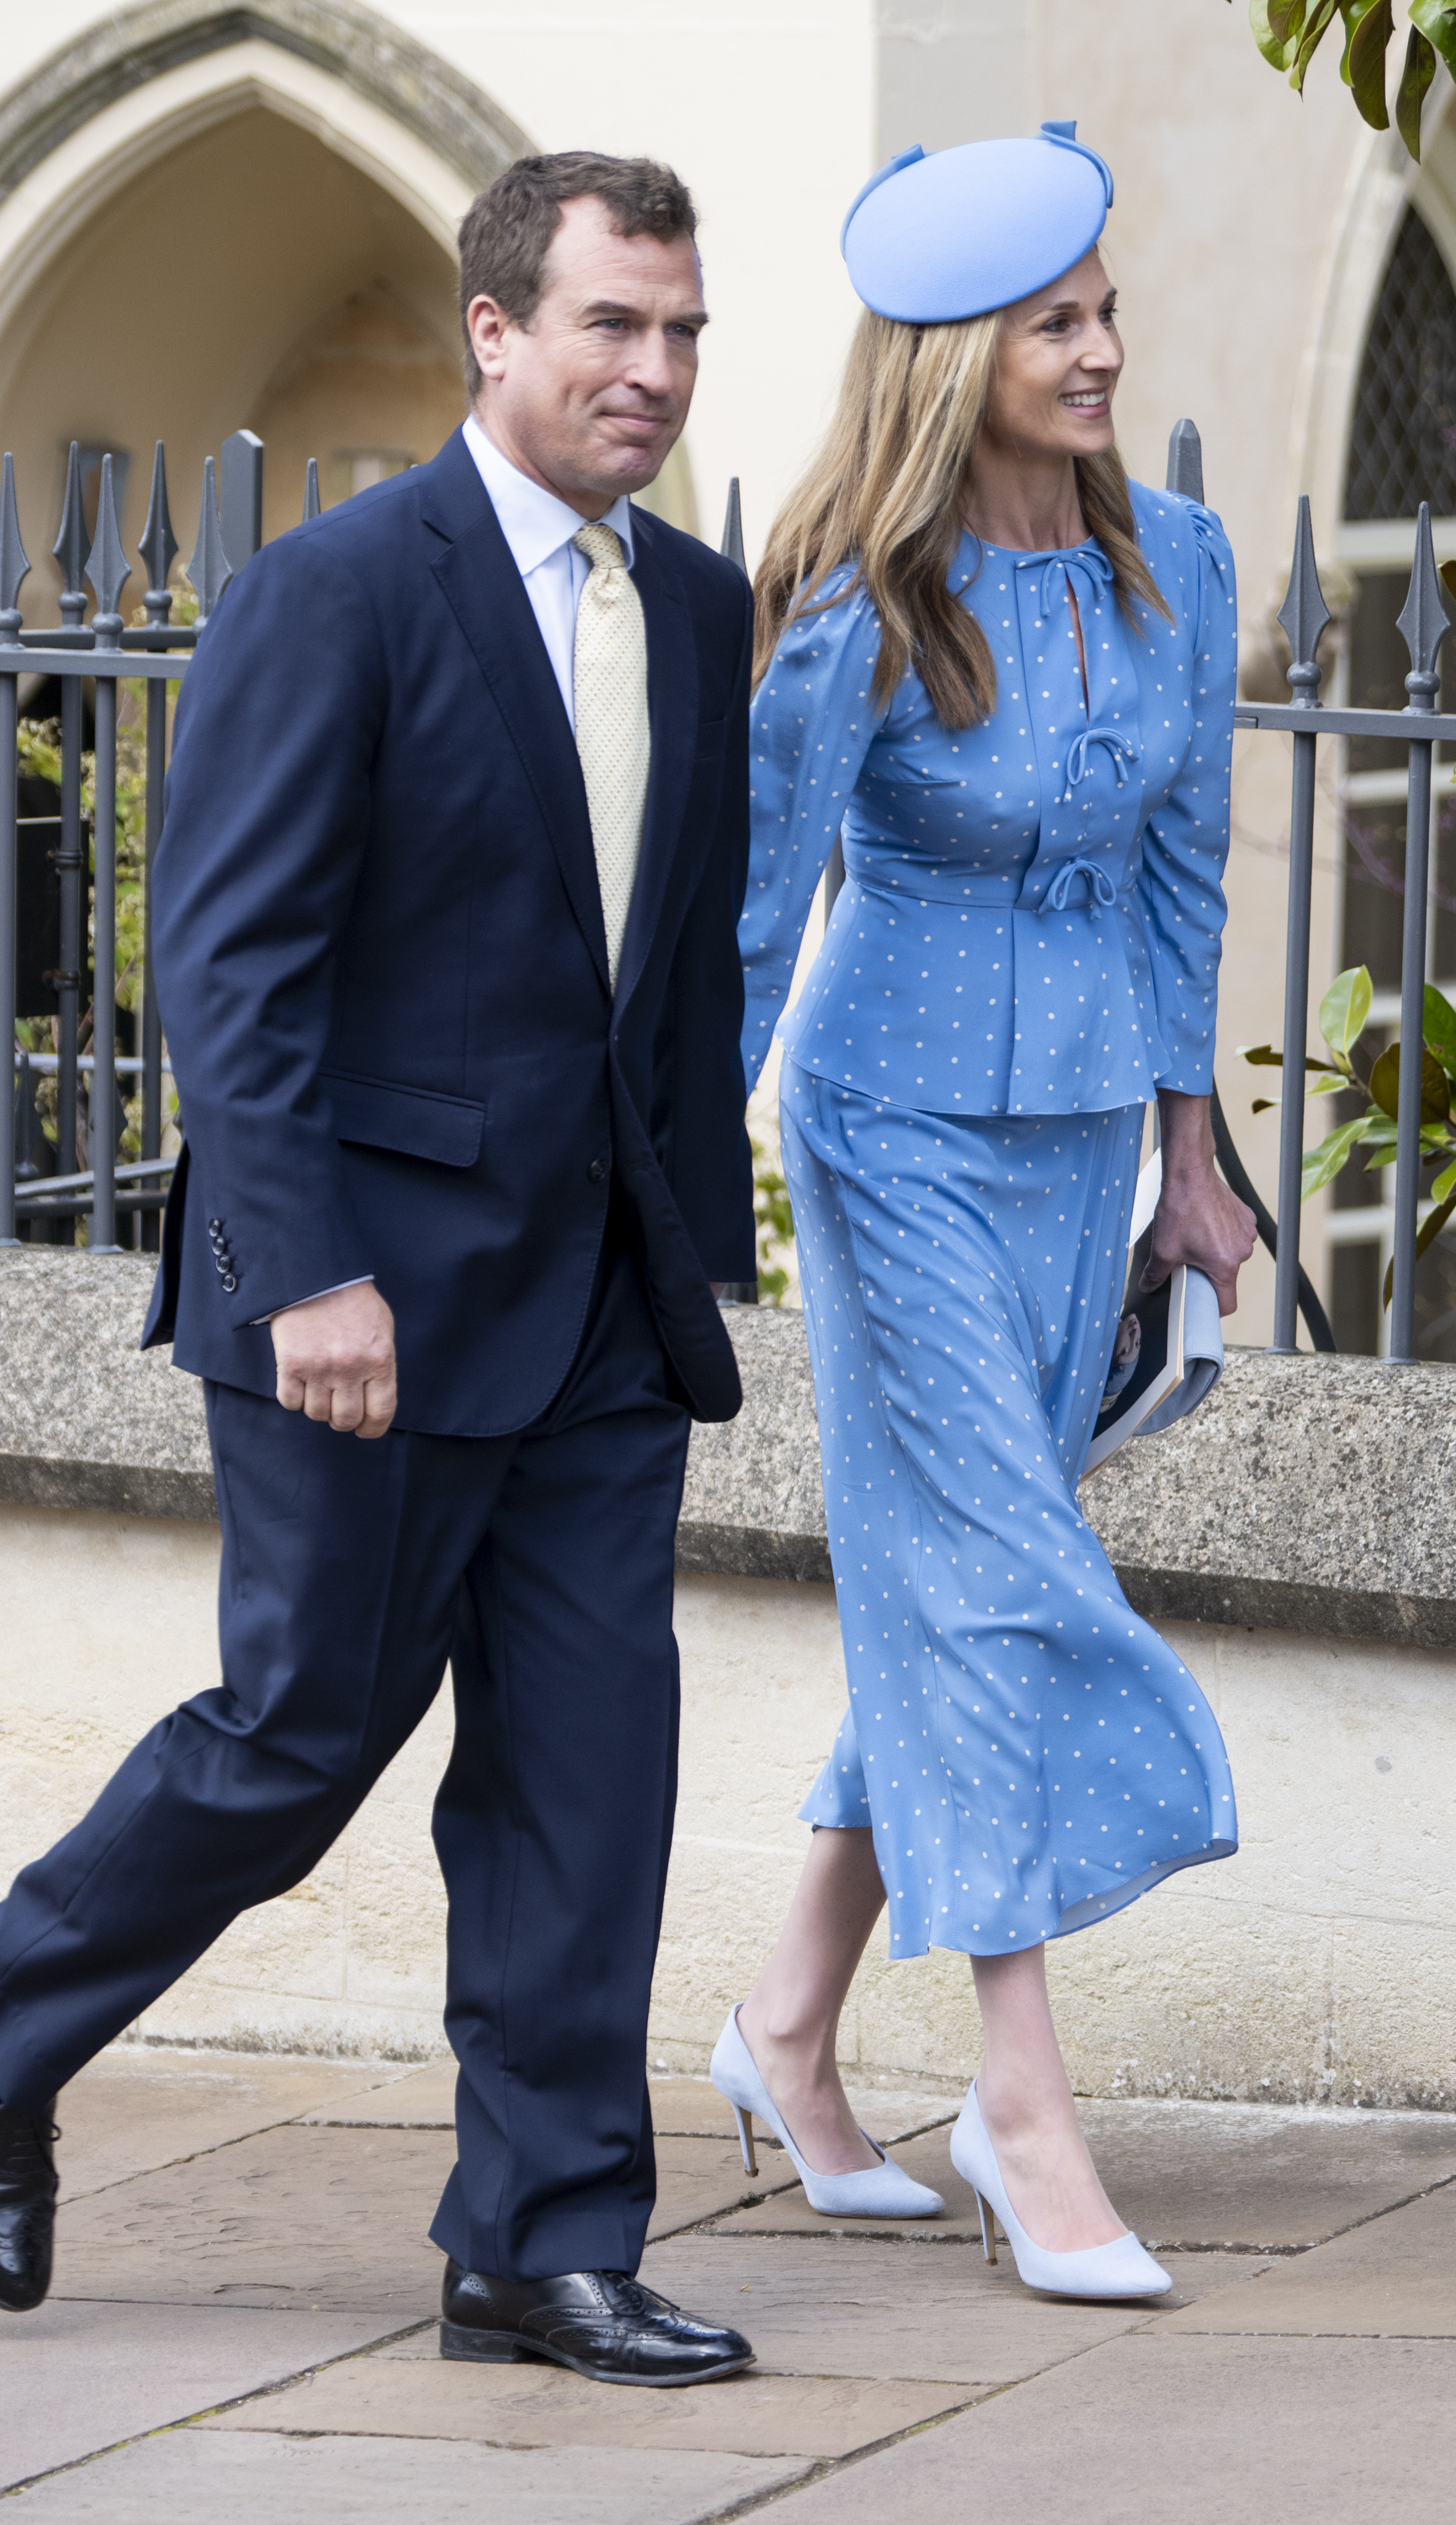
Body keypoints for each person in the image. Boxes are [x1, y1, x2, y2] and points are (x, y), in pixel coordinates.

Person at [0, 150, 760, 2389]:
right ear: (495, 332)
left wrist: (692, 1258)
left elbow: (665, 980)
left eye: (679, 331)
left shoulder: (695, 608)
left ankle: (539, 2242)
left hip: (593, 1311)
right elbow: (234, 956)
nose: (653, 372)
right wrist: (305, 1275)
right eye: (611, 326)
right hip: (357, 1298)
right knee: (300, 1736)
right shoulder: (342, 592)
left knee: (590, 1777)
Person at [709, 122, 1256, 2299]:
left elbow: (1184, 867)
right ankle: (1021, 2107)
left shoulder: (1180, 565)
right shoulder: (860, 594)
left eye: (1104, 309)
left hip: (1071, 1154)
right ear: (955, 357)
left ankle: (778, 2031)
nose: (1104, 348)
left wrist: (1189, 1150)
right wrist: (674, 1176)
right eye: (1058, 324)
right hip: (888, 1132)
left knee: (945, 1587)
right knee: (1001, 1580)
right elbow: (754, 909)